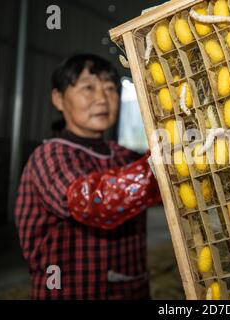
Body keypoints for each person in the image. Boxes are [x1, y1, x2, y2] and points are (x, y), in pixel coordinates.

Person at [14, 54, 161, 299]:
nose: (103, 99)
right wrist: (157, 167)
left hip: (128, 289)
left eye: (110, 88)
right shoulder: (50, 155)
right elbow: (91, 202)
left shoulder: (125, 156)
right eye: (88, 88)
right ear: (58, 98)